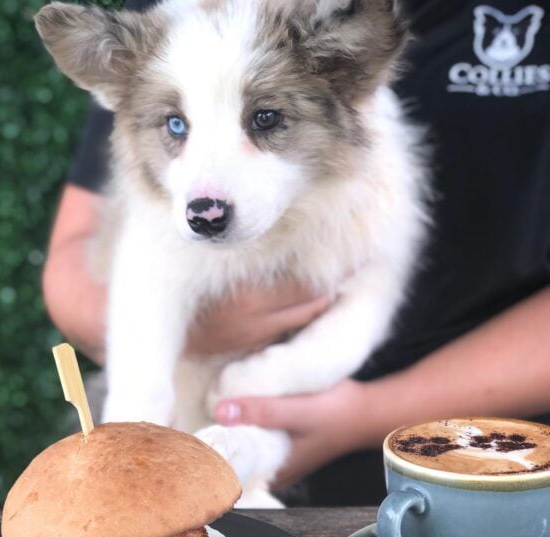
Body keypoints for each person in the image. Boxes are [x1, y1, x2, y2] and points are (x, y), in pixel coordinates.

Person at [43, 0, 550, 505]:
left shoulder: (370, 166)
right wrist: (170, 371)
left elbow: (370, 292)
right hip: (216, 437)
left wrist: (349, 408)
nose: (207, 192)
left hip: (497, 455)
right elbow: (92, 275)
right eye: (177, 125)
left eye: (265, 119)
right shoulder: (185, 26)